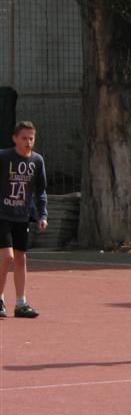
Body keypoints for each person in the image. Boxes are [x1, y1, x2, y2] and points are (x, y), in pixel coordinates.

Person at [0, 120, 47, 318]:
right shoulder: (4, 157)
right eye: (24, 138)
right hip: (2, 215)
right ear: (14, 139)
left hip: (22, 217)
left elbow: (41, 191)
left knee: (21, 258)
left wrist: (42, 215)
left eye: (31, 138)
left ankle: (21, 303)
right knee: (7, 257)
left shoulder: (37, 161)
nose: (28, 142)